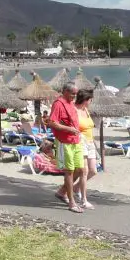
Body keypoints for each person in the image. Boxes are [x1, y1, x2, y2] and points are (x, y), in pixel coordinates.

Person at [49, 82, 85, 213]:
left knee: (80, 169)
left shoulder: (71, 104)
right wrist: (68, 129)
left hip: (76, 141)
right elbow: (52, 122)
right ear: (65, 91)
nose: (74, 96)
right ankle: (71, 202)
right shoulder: (58, 103)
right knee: (69, 171)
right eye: (72, 94)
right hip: (65, 142)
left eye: (75, 94)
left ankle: (62, 191)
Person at [74, 90, 97, 209]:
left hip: (90, 142)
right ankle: (84, 200)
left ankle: (76, 187)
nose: (91, 102)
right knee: (84, 171)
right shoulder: (75, 110)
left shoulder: (85, 110)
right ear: (85, 100)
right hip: (80, 142)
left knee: (93, 171)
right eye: (90, 100)